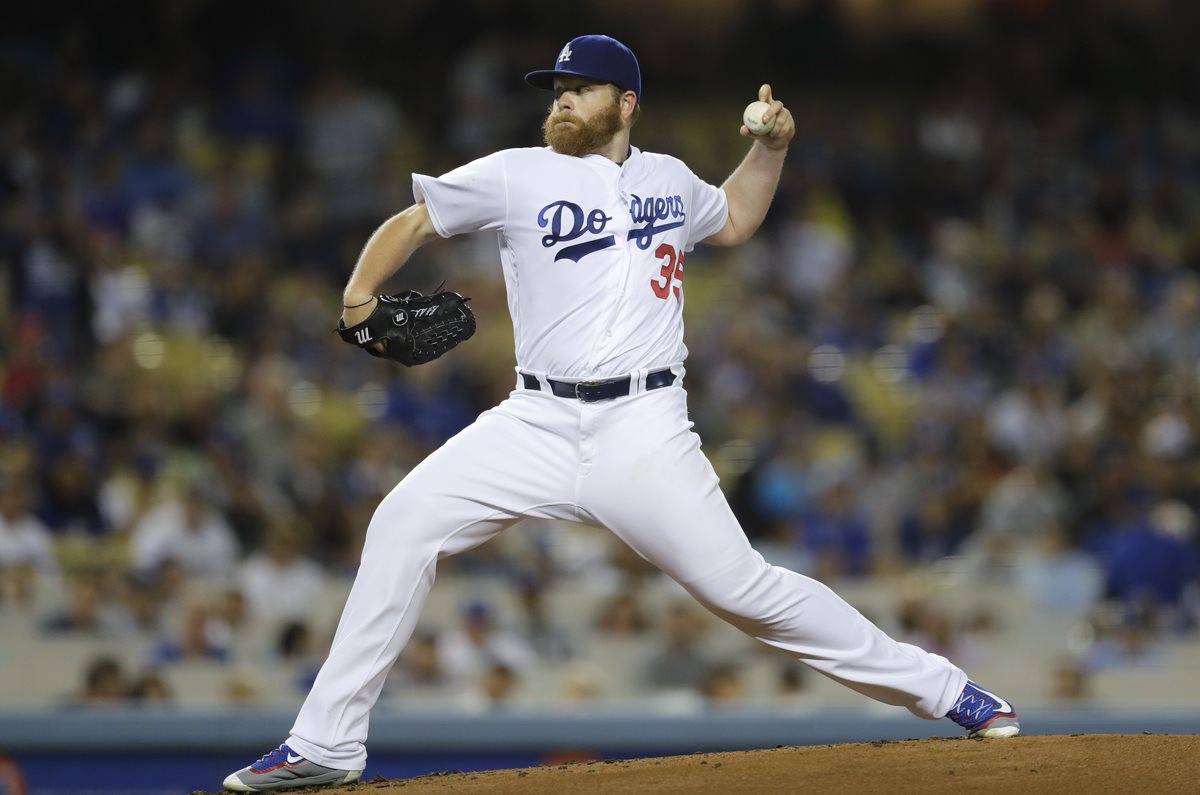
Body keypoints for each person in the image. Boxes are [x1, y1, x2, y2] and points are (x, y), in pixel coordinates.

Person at [223, 34, 1019, 793]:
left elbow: (734, 219)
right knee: (402, 522)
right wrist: (359, 298)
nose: (563, 101)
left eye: (581, 89)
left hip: (644, 430)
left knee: (747, 592)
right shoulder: (517, 172)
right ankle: (325, 744)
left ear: (626, 102)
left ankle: (950, 691)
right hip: (532, 420)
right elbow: (416, 221)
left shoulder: (669, 179)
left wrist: (770, 149)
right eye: (558, 90)